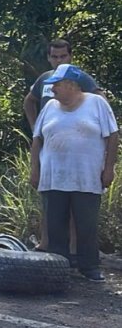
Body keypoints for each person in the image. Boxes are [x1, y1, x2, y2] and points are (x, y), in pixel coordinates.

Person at [30, 64, 118, 282]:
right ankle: (58, 266)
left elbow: (113, 136)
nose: (53, 90)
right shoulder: (50, 106)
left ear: (72, 85)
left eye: (57, 85)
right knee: (55, 224)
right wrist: (35, 170)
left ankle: (89, 267)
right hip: (53, 177)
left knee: (86, 224)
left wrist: (109, 168)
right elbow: (36, 140)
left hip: (86, 176)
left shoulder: (96, 104)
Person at [24, 39, 100, 129]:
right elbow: (29, 101)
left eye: (63, 56)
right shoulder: (45, 78)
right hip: (48, 136)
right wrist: (34, 127)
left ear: (70, 56)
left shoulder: (80, 77)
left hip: (76, 133)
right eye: (54, 57)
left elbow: (101, 101)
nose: (59, 60)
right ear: (48, 57)